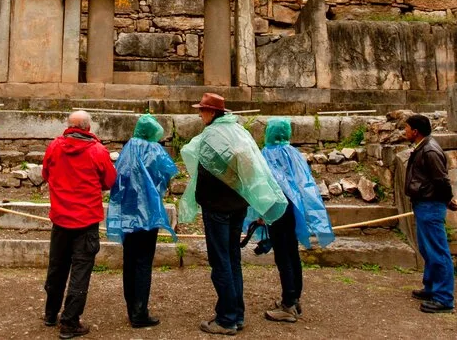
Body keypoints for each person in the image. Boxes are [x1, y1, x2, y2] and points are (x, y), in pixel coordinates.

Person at [178, 93, 288, 336]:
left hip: (217, 208)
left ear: (212, 112)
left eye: (202, 110)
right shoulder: (239, 132)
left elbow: (200, 166)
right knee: (232, 259)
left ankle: (227, 319)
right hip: (237, 206)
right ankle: (237, 314)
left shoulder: (211, 136)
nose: (200, 114)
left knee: (221, 262)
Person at [244, 117, 335, 323]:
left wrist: (262, 214)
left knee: (283, 256)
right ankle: (294, 298)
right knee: (292, 253)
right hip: (294, 210)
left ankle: (289, 304)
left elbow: (265, 187)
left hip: (277, 211)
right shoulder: (294, 153)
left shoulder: (267, 154)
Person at [42, 110, 117, 339]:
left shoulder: (55, 146)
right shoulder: (97, 151)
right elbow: (109, 180)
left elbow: (46, 173)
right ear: (88, 127)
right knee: (80, 272)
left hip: (61, 218)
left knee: (57, 268)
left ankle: (50, 313)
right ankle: (70, 322)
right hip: (86, 220)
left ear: (69, 125)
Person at [106, 113, 179, 329]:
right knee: (143, 263)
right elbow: (167, 173)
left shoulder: (128, 149)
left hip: (129, 213)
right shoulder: (155, 150)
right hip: (149, 213)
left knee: (129, 260)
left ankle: (132, 308)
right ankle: (140, 312)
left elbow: (118, 178)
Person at [403, 113, 457, 314]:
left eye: (406, 128)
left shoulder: (430, 151)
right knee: (427, 249)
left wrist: (447, 199)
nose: (404, 131)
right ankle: (431, 287)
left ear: (415, 131)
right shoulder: (422, 147)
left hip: (431, 205)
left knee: (437, 250)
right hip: (423, 203)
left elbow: (441, 180)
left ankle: (443, 298)